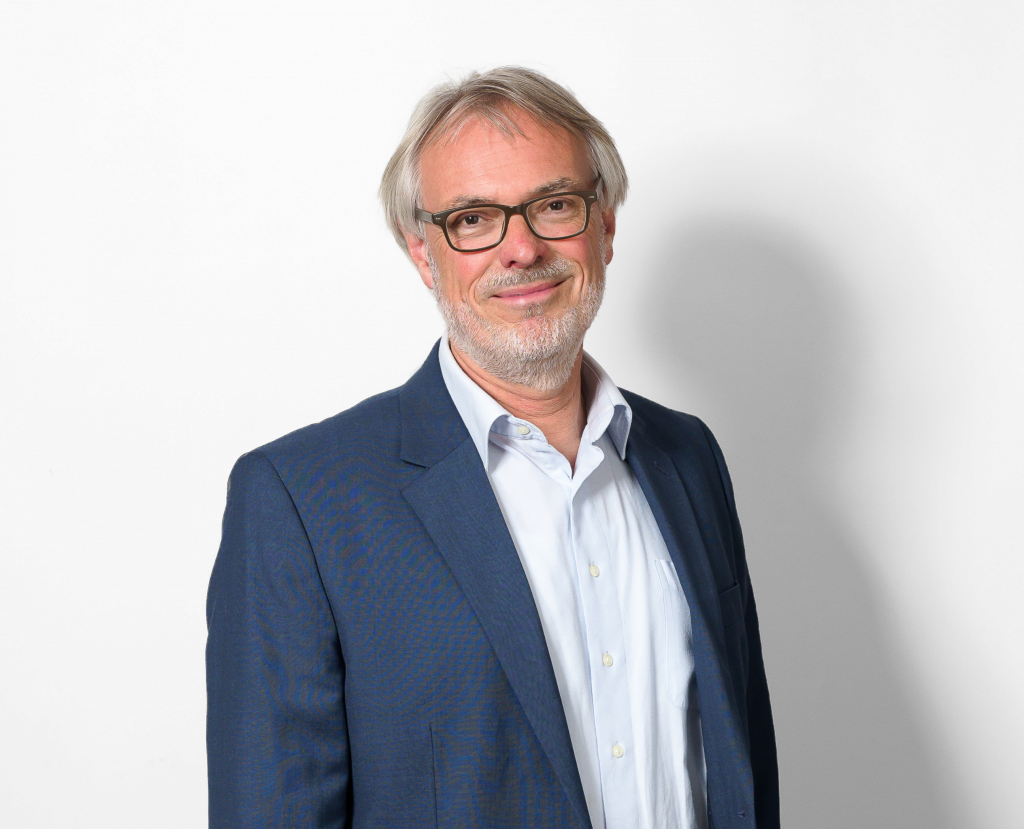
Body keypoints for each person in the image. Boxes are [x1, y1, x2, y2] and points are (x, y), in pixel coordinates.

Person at [206, 64, 779, 829]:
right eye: (473, 219)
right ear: (421, 252)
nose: (522, 248)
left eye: (555, 204)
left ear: (606, 226)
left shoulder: (691, 456)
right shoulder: (300, 499)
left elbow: (744, 767)